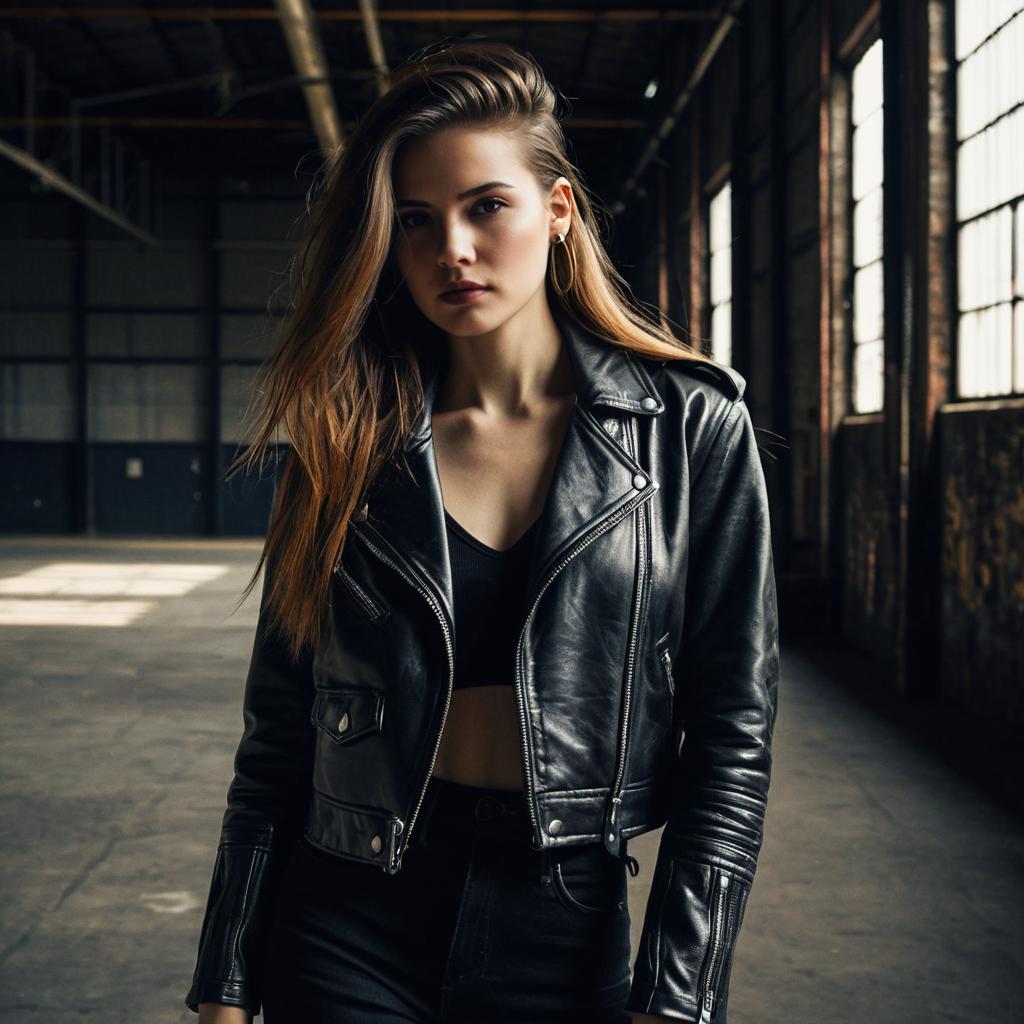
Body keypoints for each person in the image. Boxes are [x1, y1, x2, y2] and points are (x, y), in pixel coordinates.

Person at [185, 38, 779, 1024]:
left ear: (557, 212)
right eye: (415, 221)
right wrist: (226, 979)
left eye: (484, 206)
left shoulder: (690, 429)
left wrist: (680, 994)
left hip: (564, 912)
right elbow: (279, 732)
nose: (449, 249)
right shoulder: (345, 438)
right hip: (347, 907)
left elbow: (732, 733)